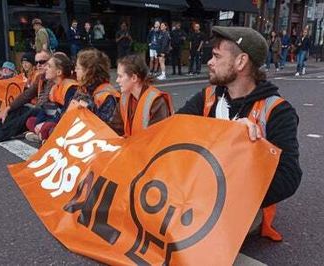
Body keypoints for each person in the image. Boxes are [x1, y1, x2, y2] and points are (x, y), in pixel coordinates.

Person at [177, 26, 302, 241]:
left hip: (238, 204)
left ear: (241, 62)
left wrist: (231, 193)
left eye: (216, 56)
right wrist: (227, 134)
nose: (209, 62)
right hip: (195, 194)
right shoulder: (207, 97)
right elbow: (173, 132)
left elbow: (289, 176)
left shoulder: (277, 111)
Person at [109, 54, 173, 137]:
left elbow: (157, 139)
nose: (117, 80)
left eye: (120, 76)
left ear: (134, 78)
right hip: (133, 147)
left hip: (147, 149)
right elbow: (114, 129)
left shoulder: (156, 101)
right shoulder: (125, 97)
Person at [25, 52, 78, 143]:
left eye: (49, 66)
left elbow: (65, 115)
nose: (45, 68)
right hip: (52, 118)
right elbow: (45, 109)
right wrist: (39, 123)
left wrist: (44, 124)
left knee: (47, 127)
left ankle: (44, 136)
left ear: (59, 72)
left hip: (62, 122)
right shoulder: (54, 87)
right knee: (30, 121)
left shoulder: (70, 88)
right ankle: (42, 136)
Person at [73, 49, 120, 123]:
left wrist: (88, 107)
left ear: (88, 72)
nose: (75, 70)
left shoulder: (107, 96)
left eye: (78, 68)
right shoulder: (83, 88)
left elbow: (102, 126)